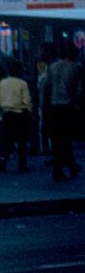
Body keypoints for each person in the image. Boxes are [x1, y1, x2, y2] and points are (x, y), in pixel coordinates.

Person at [38, 41, 81, 181]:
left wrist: (45, 107)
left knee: (57, 139)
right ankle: (65, 168)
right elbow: (79, 90)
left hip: (53, 106)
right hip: (68, 107)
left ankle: (67, 167)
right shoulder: (77, 67)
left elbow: (46, 87)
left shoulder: (54, 67)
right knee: (66, 139)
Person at [0, 58, 33, 174]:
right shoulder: (22, 83)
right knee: (22, 140)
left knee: (6, 139)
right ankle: (22, 165)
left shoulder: (2, 82)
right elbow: (27, 100)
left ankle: (3, 160)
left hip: (6, 113)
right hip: (19, 114)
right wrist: (30, 112)